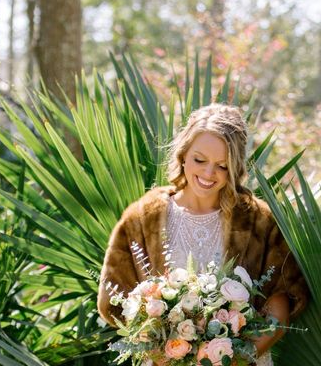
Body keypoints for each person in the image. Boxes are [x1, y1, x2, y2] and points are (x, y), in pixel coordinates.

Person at [98, 103, 309, 364]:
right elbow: (115, 301)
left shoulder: (259, 220)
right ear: (183, 154)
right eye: (200, 160)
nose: (209, 174)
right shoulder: (143, 218)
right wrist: (167, 356)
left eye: (222, 166)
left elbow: (280, 302)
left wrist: (238, 358)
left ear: (236, 167)